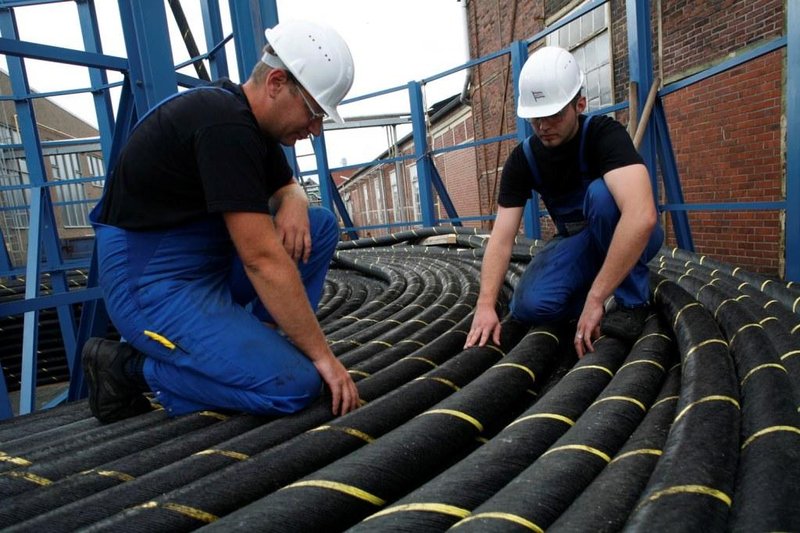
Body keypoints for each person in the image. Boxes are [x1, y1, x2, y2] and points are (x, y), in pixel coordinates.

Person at [82, 20, 360, 423]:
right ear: (277, 82)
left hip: (202, 265)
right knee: (296, 387)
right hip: (152, 284)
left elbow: (284, 186)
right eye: (314, 112)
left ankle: (263, 347)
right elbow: (261, 259)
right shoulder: (223, 125)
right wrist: (325, 359)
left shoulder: (248, 123)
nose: (315, 129)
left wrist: (294, 196)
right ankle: (127, 368)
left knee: (318, 225)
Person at [464, 46, 664, 357]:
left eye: (553, 115)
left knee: (601, 195)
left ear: (579, 104)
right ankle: (606, 281)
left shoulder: (604, 135)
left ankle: (631, 301)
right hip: (580, 242)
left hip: (629, 231)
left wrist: (596, 298)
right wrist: (486, 303)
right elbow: (502, 238)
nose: (543, 126)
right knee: (528, 305)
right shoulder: (523, 160)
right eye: (535, 118)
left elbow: (641, 216)